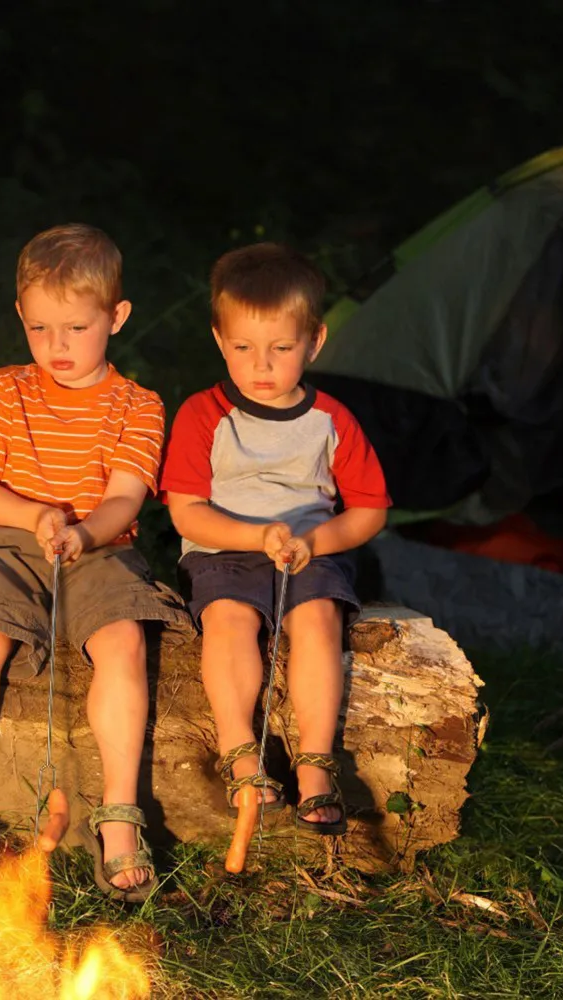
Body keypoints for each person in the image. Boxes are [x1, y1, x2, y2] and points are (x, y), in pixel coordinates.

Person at [0, 223, 192, 899]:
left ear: (116, 317)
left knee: (122, 640)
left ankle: (119, 815)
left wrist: (84, 534)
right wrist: (33, 516)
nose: (55, 347)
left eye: (75, 328)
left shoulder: (138, 405)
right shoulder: (8, 391)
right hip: (8, 543)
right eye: (39, 329)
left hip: (99, 548)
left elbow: (126, 497)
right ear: (20, 318)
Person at [160, 242, 391, 835]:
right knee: (231, 619)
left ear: (313, 342)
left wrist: (318, 540)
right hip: (224, 549)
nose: (261, 366)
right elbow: (186, 512)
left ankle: (315, 764)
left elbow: (369, 510)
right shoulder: (203, 415)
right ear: (219, 339)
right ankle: (241, 750)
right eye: (243, 348)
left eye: (281, 349)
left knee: (317, 619)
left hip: (309, 548)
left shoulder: (332, 421)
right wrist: (252, 534)